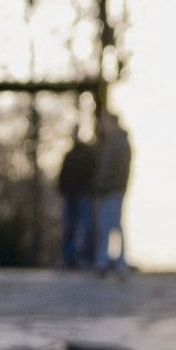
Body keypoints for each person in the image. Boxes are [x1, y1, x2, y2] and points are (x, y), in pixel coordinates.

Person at [91, 110, 133, 275]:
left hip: (113, 191)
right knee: (109, 226)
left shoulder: (119, 143)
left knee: (112, 226)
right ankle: (108, 261)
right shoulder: (111, 142)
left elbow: (118, 170)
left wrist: (107, 186)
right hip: (109, 190)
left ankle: (115, 261)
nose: (102, 126)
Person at [56, 129, 98, 270]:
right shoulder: (69, 155)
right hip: (70, 196)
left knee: (86, 227)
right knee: (70, 228)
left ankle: (87, 258)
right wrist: (62, 189)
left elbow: (92, 173)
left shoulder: (87, 154)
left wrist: (89, 190)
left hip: (83, 195)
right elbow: (63, 175)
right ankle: (69, 258)